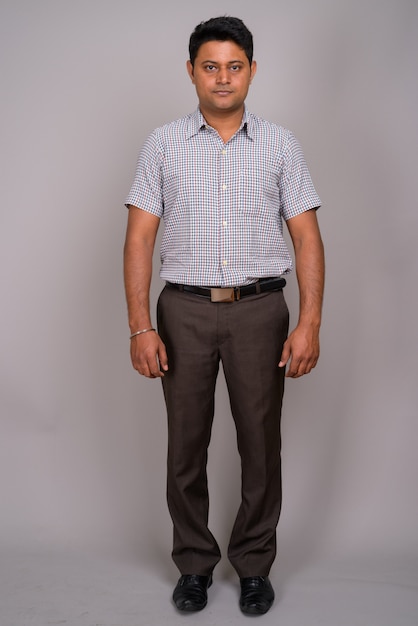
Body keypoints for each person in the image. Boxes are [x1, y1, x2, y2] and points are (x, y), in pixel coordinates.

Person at [123, 16, 324, 616]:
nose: (222, 77)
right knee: (185, 447)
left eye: (234, 66)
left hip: (261, 310)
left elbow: (307, 237)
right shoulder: (162, 143)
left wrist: (309, 321)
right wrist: (140, 325)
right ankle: (194, 564)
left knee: (261, 446)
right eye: (210, 66)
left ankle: (255, 565)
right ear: (191, 72)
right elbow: (138, 239)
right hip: (181, 309)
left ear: (252, 72)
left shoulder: (281, 144)